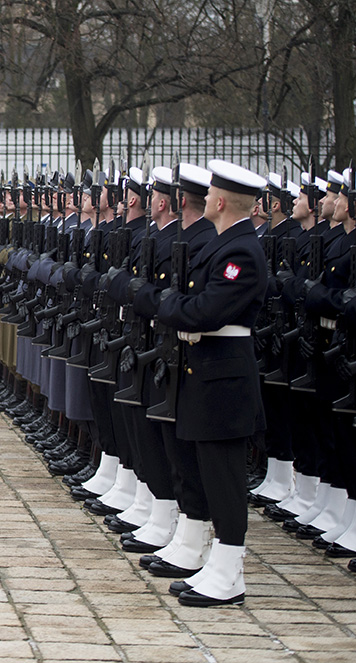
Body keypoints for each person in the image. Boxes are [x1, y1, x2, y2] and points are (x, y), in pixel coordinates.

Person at [123, 159, 269, 607]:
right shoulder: (222, 244)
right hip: (202, 370)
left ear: (221, 201)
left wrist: (144, 296)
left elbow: (202, 311)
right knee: (200, 469)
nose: (202, 199)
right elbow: (188, 300)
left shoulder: (240, 251)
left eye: (208, 195)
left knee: (224, 479)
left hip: (223, 377)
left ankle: (229, 574)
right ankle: (207, 557)